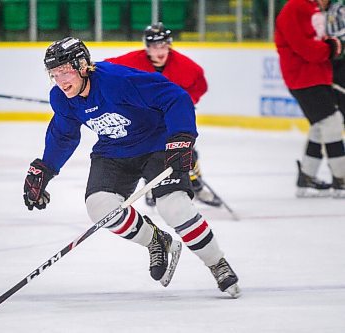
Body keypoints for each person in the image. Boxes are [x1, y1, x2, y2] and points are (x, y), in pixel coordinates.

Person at [23, 37, 241, 297]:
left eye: (65, 71)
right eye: (54, 74)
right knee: (99, 206)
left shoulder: (118, 81)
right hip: (113, 151)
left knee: (174, 206)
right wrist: (45, 168)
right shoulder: (61, 97)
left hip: (156, 144)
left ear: (82, 65)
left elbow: (176, 97)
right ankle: (156, 240)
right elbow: (64, 135)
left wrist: (181, 136)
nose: (60, 80)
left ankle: (217, 262)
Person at [105, 22, 222, 208]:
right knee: (146, 153)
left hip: (173, 118)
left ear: (169, 44)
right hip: (143, 120)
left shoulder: (186, 66)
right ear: (147, 47)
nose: (159, 50)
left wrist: (182, 104)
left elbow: (200, 85)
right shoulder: (130, 61)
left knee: (186, 152)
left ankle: (197, 186)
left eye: (163, 45)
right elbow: (103, 71)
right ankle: (151, 185)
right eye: (153, 46)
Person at [275, 0, 345, 198]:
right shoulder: (295, 7)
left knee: (320, 125)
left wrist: (329, 47)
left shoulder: (312, 8)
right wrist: (330, 49)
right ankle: (341, 179)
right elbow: (304, 46)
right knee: (331, 122)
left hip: (318, 75)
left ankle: (307, 176)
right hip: (302, 77)